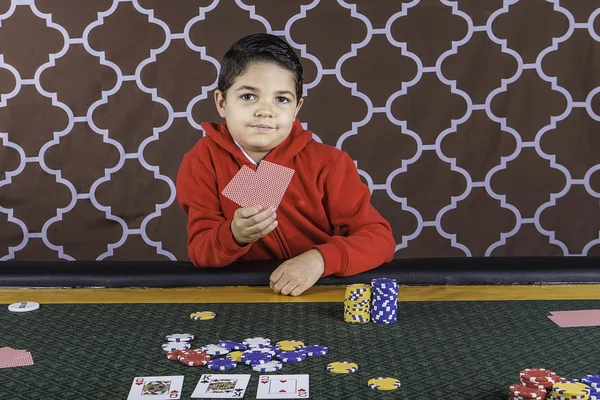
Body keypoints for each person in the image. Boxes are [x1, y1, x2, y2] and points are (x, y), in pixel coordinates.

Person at [176, 33, 395, 296]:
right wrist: (233, 234)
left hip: (320, 291)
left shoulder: (329, 164)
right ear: (222, 103)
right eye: (248, 96)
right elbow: (201, 250)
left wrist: (320, 259)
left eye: (281, 99)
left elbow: (380, 239)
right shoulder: (202, 162)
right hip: (243, 296)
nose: (265, 111)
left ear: (296, 108)